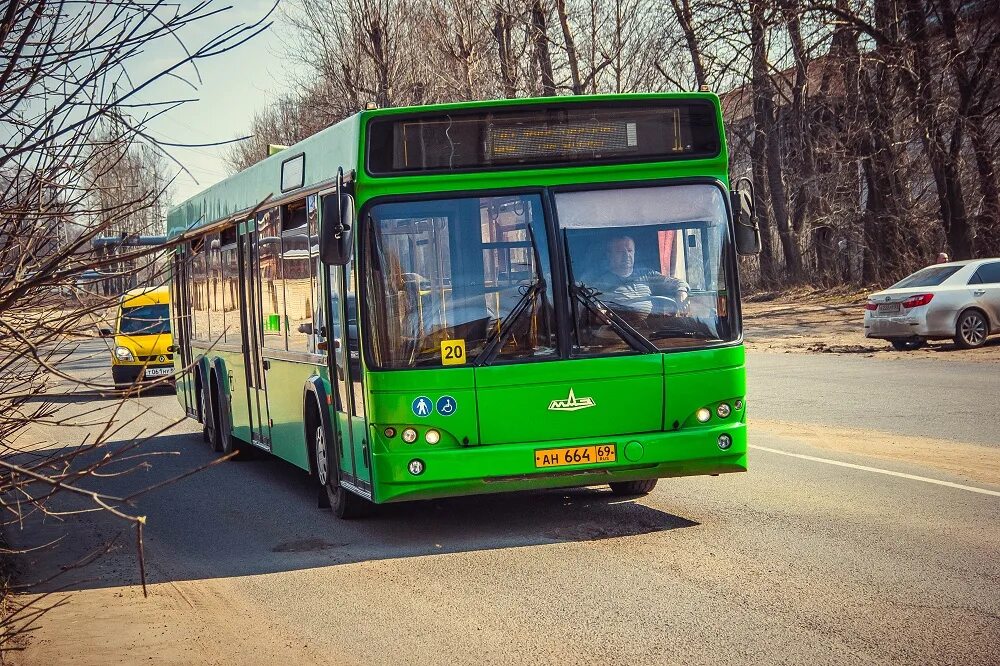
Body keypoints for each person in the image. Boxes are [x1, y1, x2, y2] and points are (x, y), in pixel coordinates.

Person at [586, 235, 689, 319]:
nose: (627, 256)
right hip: (620, 335)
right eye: (620, 252)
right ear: (609, 255)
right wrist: (598, 314)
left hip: (653, 332)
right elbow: (591, 308)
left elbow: (677, 283)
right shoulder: (600, 283)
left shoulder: (647, 275)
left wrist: (681, 292)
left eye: (630, 251)